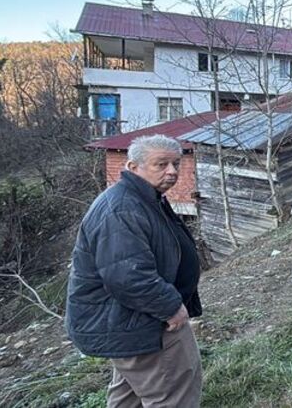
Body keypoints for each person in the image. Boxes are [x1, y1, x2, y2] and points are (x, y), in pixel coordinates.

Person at [66, 134, 202, 407]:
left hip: (129, 321)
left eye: (176, 164)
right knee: (174, 395)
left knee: (129, 398)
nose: (172, 171)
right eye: (161, 164)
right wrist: (170, 307)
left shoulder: (144, 199)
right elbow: (128, 276)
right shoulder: (122, 209)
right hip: (141, 321)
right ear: (132, 167)